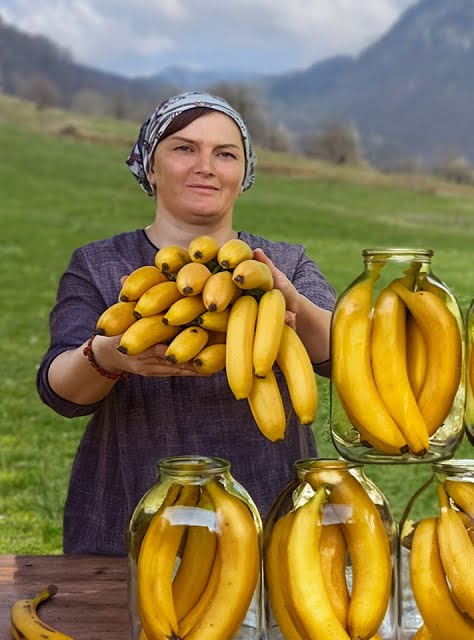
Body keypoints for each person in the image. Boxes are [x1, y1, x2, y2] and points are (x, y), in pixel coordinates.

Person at [37, 91, 336, 555]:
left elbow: (339, 355)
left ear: (244, 172)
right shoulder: (100, 265)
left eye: (225, 153)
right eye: (184, 148)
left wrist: (287, 299)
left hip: (271, 510)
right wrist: (107, 355)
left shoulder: (285, 263)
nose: (206, 166)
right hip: (133, 513)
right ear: (150, 167)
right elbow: (60, 391)